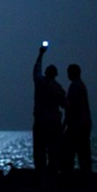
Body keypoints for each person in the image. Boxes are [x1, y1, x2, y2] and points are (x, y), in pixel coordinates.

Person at [32, 45, 66, 175]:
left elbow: (36, 69)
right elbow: (65, 104)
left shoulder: (40, 83)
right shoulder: (58, 88)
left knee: (39, 149)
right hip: (54, 123)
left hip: (40, 121)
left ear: (46, 73)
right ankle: (53, 172)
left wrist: (40, 54)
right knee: (53, 150)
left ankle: (40, 172)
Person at [62, 64, 92, 177]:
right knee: (83, 151)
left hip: (76, 124)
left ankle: (68, 175)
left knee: (69, 151)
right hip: (84, 123)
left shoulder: (74, 86)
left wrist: (65, 123)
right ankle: (86, 174)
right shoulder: (81, 85)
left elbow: (71, 107)